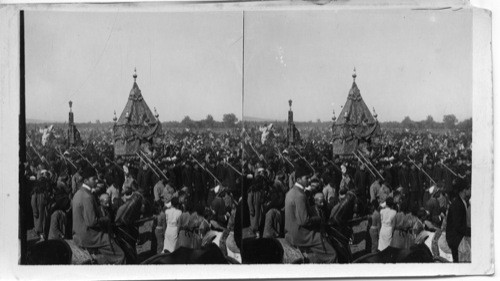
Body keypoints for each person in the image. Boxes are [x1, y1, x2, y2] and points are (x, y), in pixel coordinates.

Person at [72, 167, 125, 264]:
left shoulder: (78, 193)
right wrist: (106, 219)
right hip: (88, 236)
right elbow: (91, 222)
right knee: (120, 255)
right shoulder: (87, 197)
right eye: (93, 179)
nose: (96, 181)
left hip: (78, 232)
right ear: (86, 180)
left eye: (96, 178)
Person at [284, 165, 337, 263]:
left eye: (309, 177)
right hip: (300, 235)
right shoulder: (300, 195)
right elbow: (303, 221)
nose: (309, 180)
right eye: (306, 178)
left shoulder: (291, 192)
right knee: (332, 254)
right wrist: (318, 219)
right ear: (299, 179)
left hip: (290, 231)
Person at [446, 181, 471, 263]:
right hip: (456, 240)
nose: (471, 191)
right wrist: (471, 232)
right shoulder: (456, 204)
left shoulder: (463, 202)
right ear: (464, 190)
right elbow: (457, 225)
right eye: (469, 189)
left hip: (460, 236)